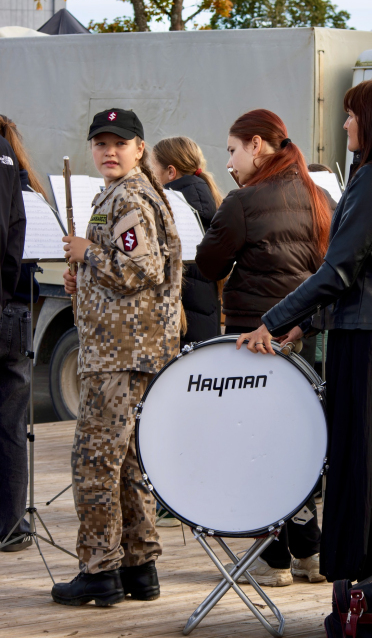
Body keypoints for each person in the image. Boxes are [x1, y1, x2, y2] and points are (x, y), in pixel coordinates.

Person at [237, 79, 372, 582]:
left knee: (358, 469)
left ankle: (360, 592)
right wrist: (304, 324)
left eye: (352, 115)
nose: (345, 124)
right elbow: (371, 273)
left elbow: (340, 272)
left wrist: (272, 320)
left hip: (369, 346)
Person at [51, 108, 183, 607]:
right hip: (129, 346)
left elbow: (139, 269)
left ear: (139, 149)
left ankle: (99, 570)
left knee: (94, 462)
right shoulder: (125, 192)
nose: (109, 151)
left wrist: (88, 254)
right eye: (101, 143)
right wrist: (84, 275)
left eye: (120, 144)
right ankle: (139, 566)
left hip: (119, 353)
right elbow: (125, 270)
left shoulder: (128, 196)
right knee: (127, 463)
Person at [196, 108, 332, 586]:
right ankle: (309, 551)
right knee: (295, 441)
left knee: (254, 443)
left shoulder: (243, 201)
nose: (229, 162)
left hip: (252, 335)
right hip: (303, 339)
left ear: (256, 145)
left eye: (233, 150)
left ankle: (273, 559)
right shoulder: (320, 197)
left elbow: (208, 265)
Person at [153, 136, 222, 348]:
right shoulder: (211, 202)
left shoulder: (170, 209)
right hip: (204, 327)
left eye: (151, 169)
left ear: (171, 173)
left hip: (179, 332)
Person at [0, 116, 28, 552]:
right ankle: (12, 525)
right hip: (12, 306)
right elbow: (16, 233)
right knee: (10, 420)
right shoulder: (11, 161)